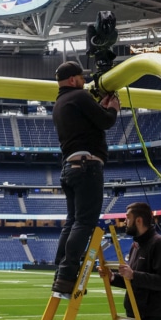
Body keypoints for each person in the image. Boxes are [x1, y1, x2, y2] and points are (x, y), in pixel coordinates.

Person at [51, 61, 120, 294]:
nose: (84, 82)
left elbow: (88, 121)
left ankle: (61, 273)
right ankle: (69, 272)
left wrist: (98, 107)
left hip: (69, 167)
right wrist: (112, 109)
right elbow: (105, 122)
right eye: (81, 78)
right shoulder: (79, 96)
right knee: (83, 223)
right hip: (86, 166)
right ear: (73, 80)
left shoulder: (60, 103)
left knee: (71, 222)